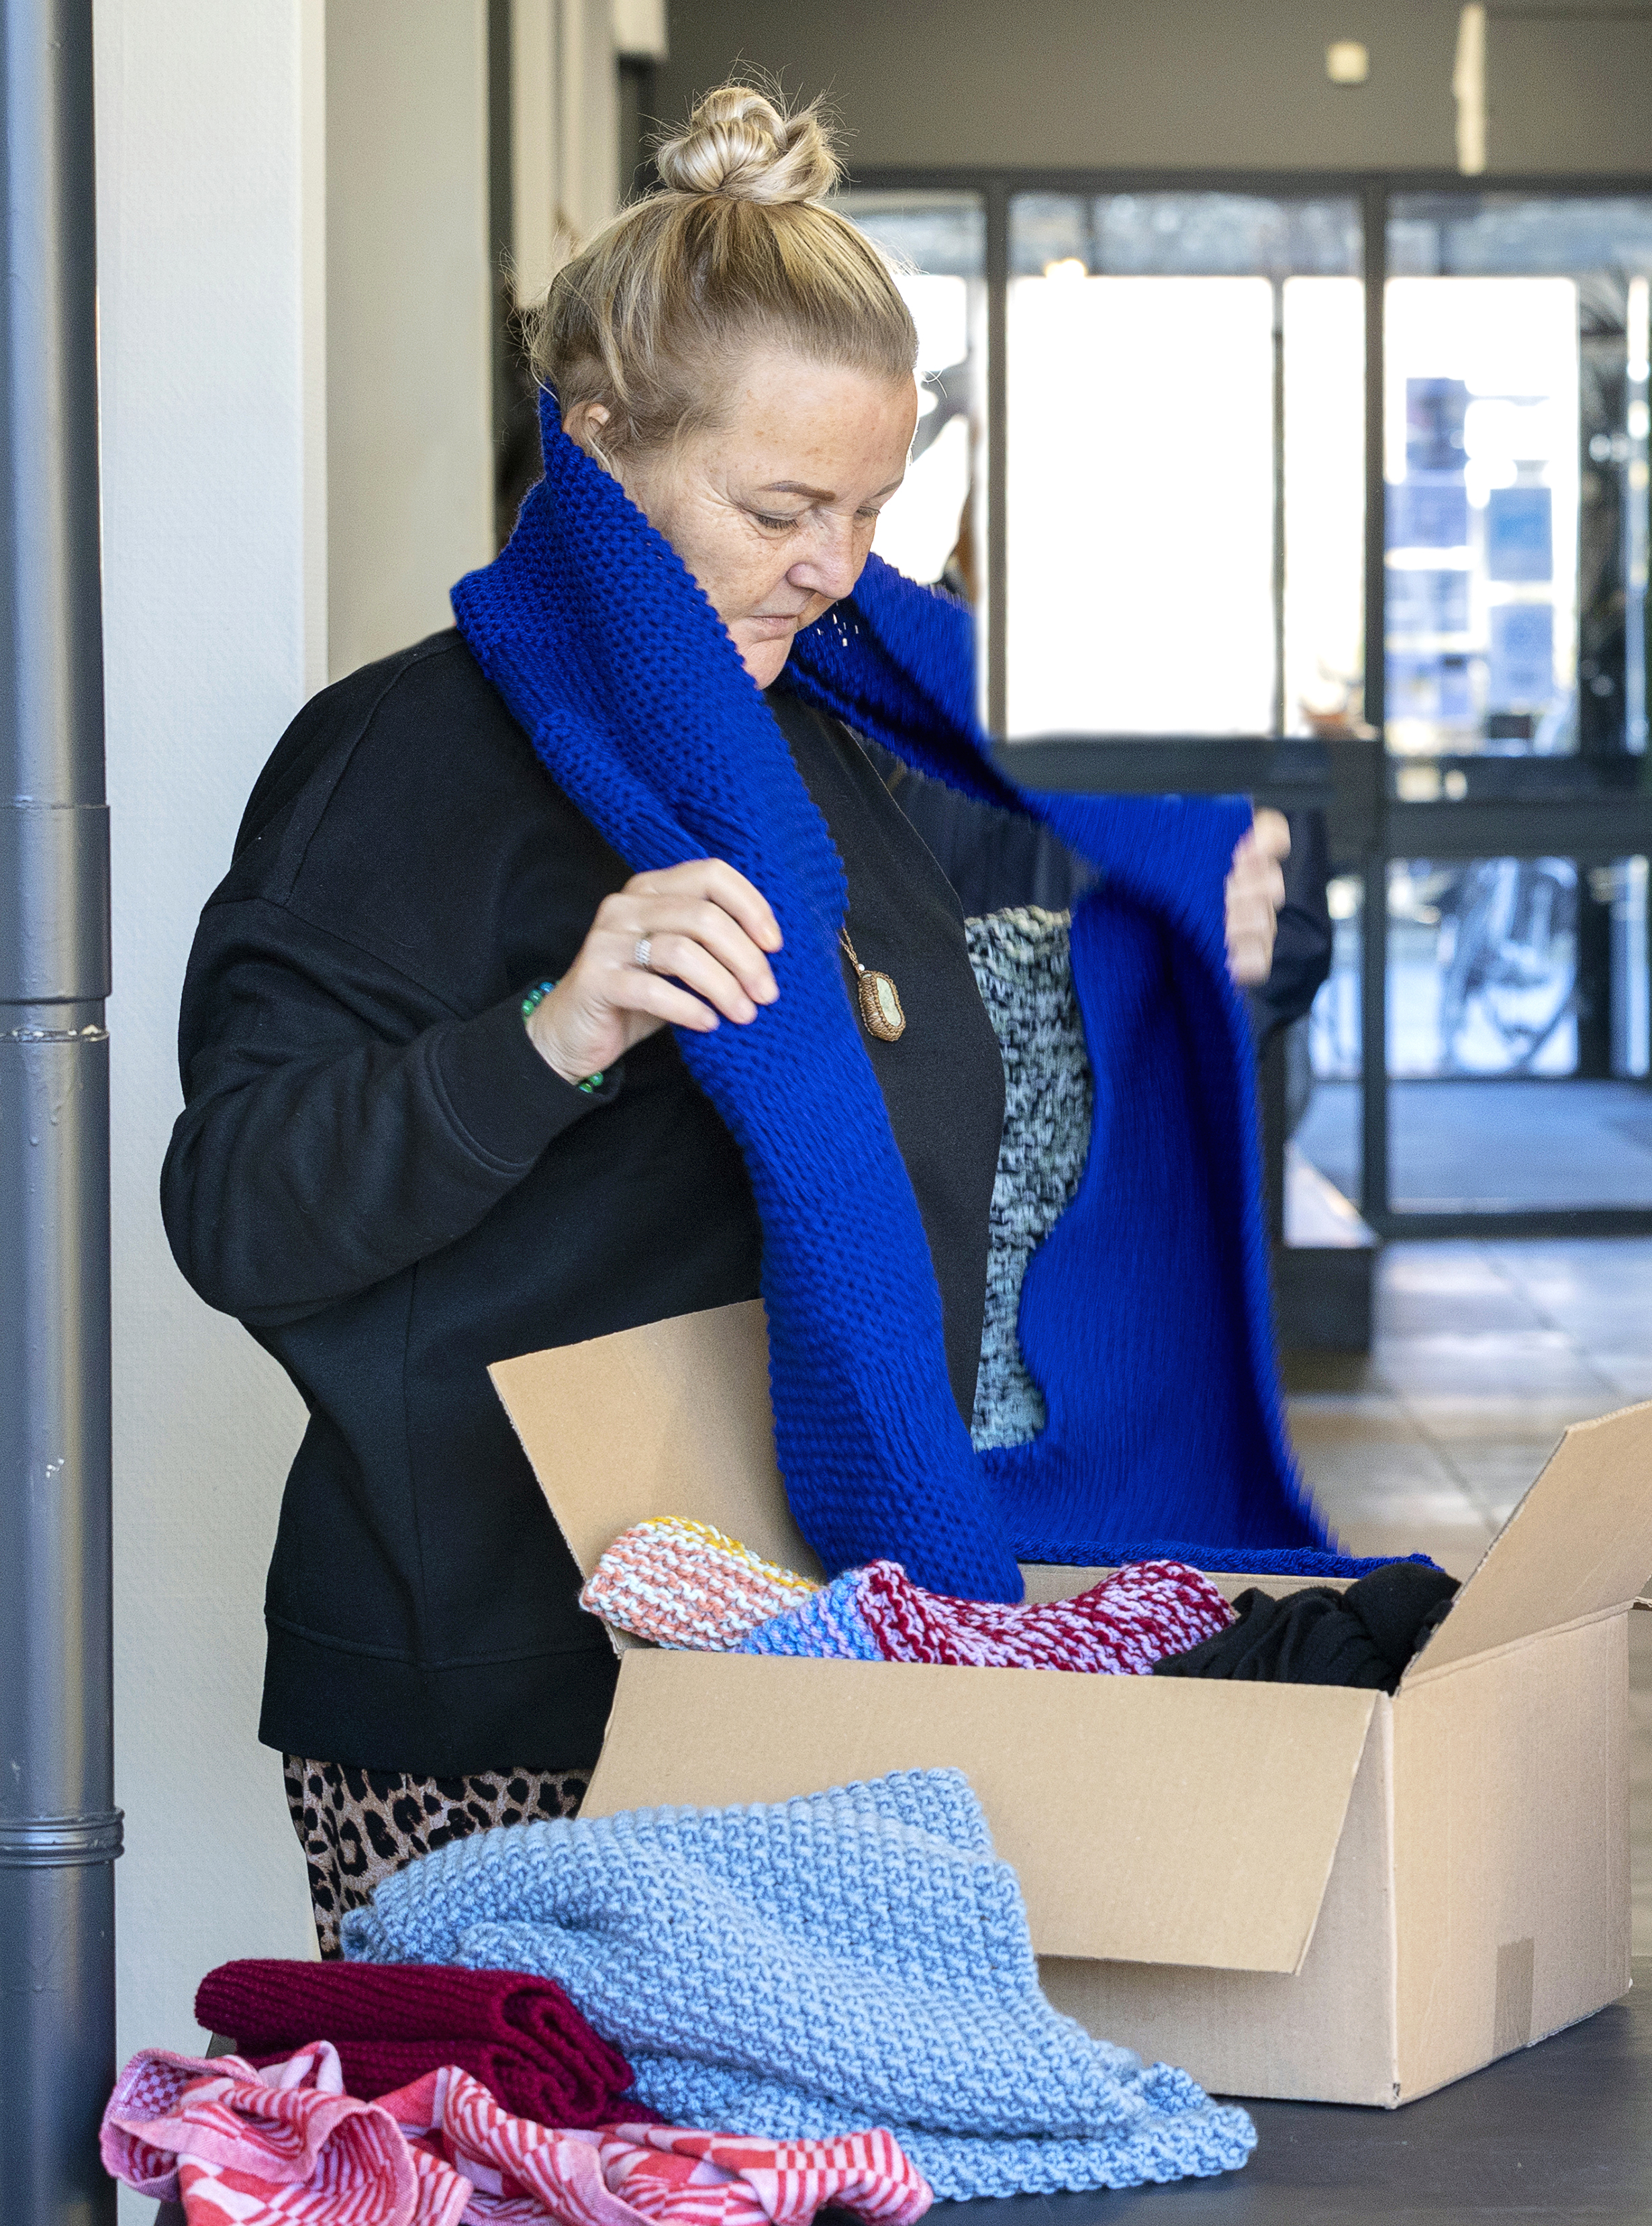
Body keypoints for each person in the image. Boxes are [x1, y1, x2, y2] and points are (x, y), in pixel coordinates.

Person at [163, 85, 1291, 1955]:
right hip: (497, 1699)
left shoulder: (839, 753)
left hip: (809, 1650)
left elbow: (989, 1084)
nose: (839, 568)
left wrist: (1185, 939)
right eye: (782, 509)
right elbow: (237, 1205)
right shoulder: (394, 760)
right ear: (597, 448)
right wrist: (558, 1028)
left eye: (868, 510)